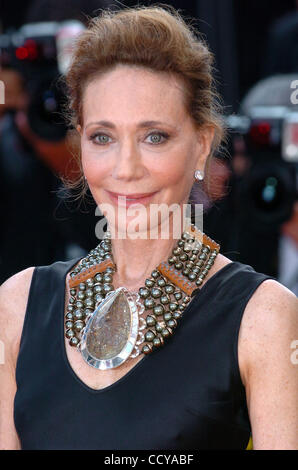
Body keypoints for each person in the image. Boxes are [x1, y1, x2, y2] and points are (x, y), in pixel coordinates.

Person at [0, 5, 297, 450]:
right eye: (103, 137)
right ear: (80, 143)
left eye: (154, 136)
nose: (126, 168)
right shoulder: (19, 305)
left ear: (200, 147)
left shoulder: (264, 316)